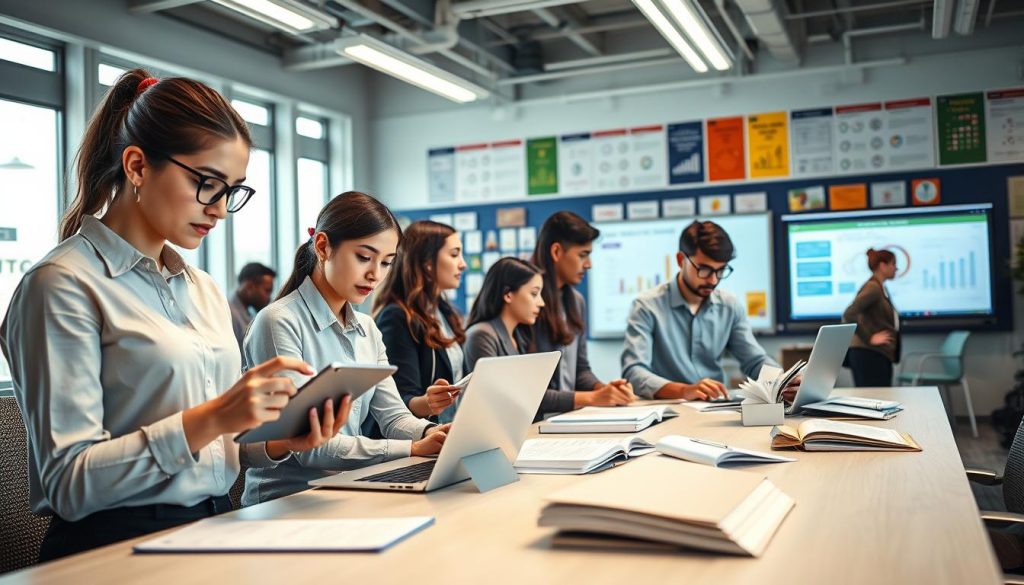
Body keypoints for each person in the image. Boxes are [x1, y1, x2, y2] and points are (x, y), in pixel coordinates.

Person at [0, 69, 350, 560]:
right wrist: (214, 416)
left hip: (210, 526)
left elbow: (211, 450)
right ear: (138, 166)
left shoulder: (201, 289)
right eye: (207, 183)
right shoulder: (61, 284)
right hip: (111, 549)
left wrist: (276, 441)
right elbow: (68, 483)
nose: (221, 210)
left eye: (232, 190)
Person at [241, 191, 451, 506]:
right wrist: (410, 449)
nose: (375, 274)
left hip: (347, 491)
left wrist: (431, 433)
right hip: (285, 502)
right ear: (323, 246)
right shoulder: (278, 321)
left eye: (386, 263)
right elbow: (309, 445)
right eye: (364, 257)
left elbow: (393, 418)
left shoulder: (367, 328)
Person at [621, 220, 779, 400]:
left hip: (714, 409)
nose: (713, 280)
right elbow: (633, 371)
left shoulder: (729, 306)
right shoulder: (646, 306)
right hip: (666, 409)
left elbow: (755, 360)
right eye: (704, 269)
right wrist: (684, 390)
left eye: (720, 270)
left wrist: (782, 381)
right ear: (681, 260)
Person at [529, 212, 633, 412]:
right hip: (534, 424)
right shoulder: (528, 304)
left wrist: (605, 390)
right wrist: (593, 397)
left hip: (565, 420)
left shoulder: (576, 302)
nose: (589, 264)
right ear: (557, 252)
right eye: (583, 255)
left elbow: (580, 371)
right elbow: (526, 392)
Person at [373, 220, 467, 424]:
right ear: (427, 262)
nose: (463, 263)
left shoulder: (445, 312)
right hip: (419, 441)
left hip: (452, 432)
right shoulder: (396, 317)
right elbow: (397, 402)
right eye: (454, 254)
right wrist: (428, 403)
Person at [463, 257, 550, 419]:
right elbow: (502, 398)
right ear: (508, 294)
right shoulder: (481, 335)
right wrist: (591, 397)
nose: (541, 303)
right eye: (534, 293)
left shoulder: (519, 336)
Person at [843, 248, 901, 387]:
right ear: (882, 266)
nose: (896, 268)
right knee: (874, 402)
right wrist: (869, 337)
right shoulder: (873, 288)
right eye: (893, 264)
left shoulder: (880, 287)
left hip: (876, 354)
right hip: (868, 354)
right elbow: (849, 314)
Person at [229, 262, 276, 349]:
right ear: (250, 286)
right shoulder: (229, 314)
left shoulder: (246, 311)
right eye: (267, 291)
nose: (269, 297)